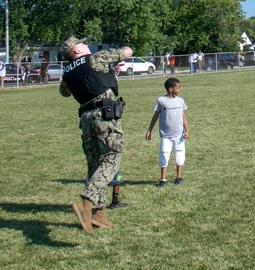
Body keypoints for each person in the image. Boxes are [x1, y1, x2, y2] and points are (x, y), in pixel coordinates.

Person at [59, 36, 132, 235]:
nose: (87, 45)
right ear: (76, 51)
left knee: (94, 164)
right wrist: (122, 50)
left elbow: (64, 92)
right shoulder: (93, 59)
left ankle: (98, 213)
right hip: (104, 115)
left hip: (86, 118)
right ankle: (87, 202)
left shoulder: (67, 72)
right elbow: (127, 52)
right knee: (111, 158)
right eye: (82, 44)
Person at [145, 77, 190, 188]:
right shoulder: (161, 101)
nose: (180, 90)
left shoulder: (180, 101)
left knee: (179, 155)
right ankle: (163, 179)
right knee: (164, 155)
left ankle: (178, 177)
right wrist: (149, 130)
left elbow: (183, 115)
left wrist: (186, 130)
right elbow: (155, 116)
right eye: (178, 88)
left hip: (179, 135)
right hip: (166, 135)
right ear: (170, 89)